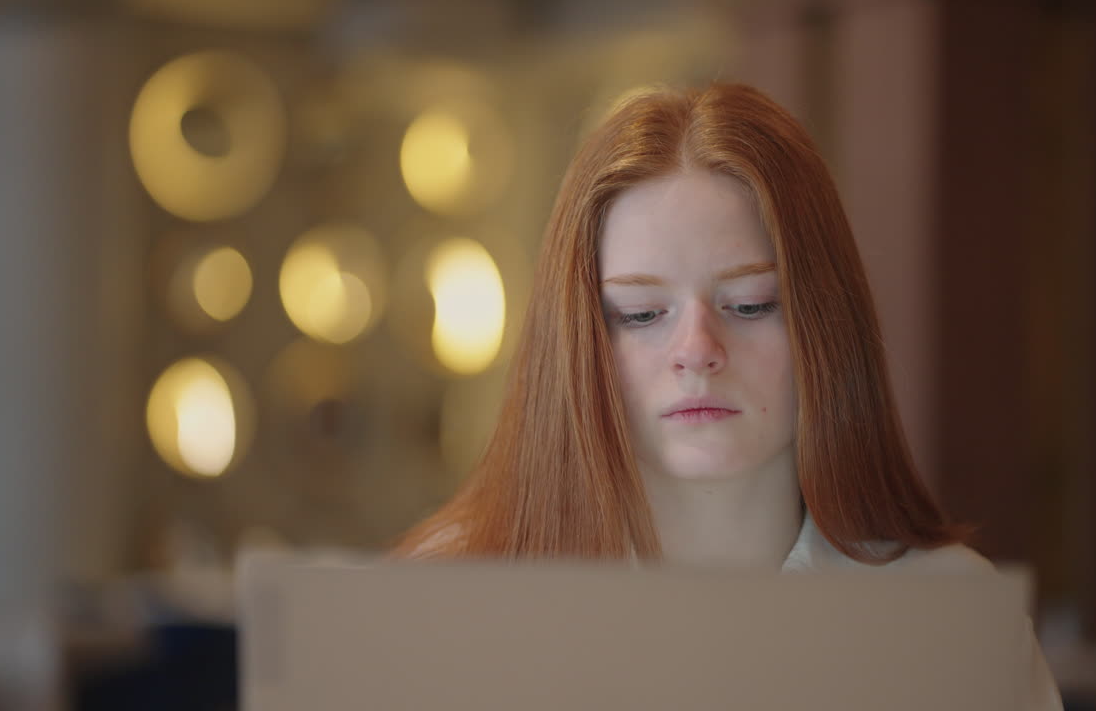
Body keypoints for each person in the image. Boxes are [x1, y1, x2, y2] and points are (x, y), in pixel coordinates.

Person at [393, 82, 1062, 708]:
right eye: (641, 313)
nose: (697, 350)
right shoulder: (443, 608)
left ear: (827, 324)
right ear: (575, 343)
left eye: (749, 304)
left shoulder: (953, 626)